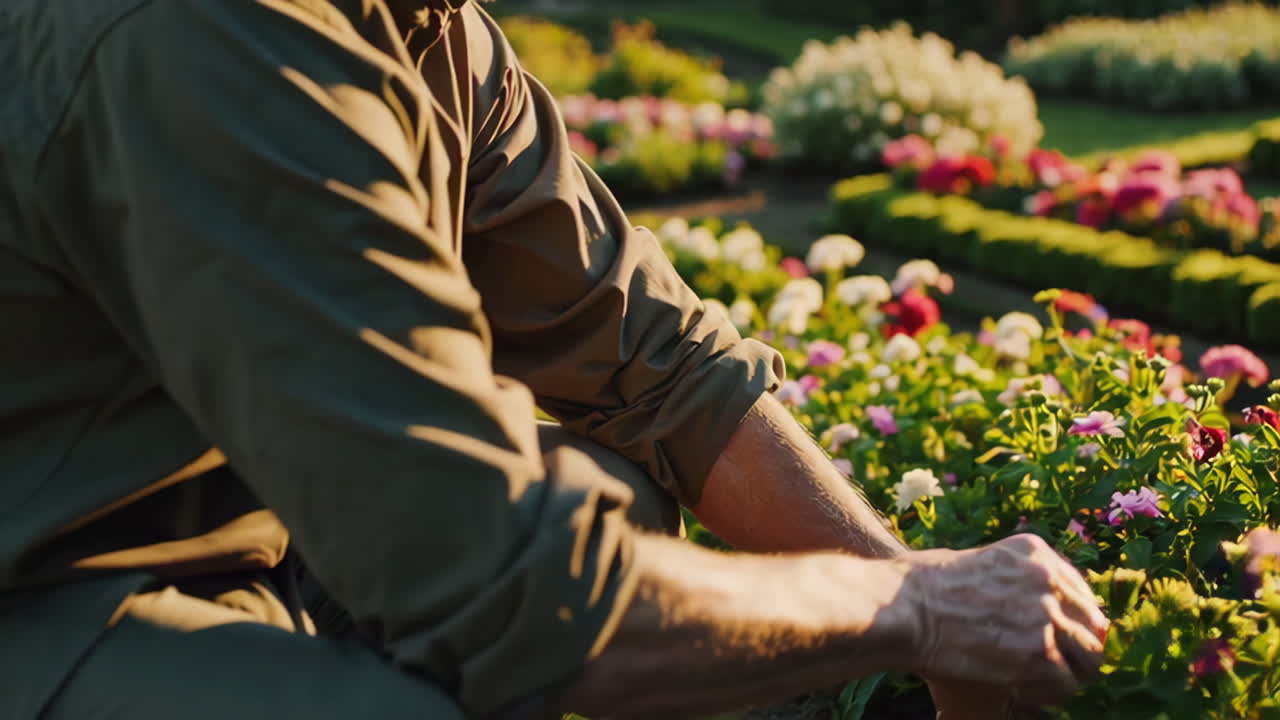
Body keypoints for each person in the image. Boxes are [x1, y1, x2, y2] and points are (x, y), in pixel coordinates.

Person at [0, 0, 1108, 718]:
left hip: (256, 535)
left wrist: (919, 622)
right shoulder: (214, 39)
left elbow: (656, 357)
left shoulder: (427, 29)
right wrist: (908, 608)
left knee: (619, 502)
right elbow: (514, 589)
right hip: (53, 591)